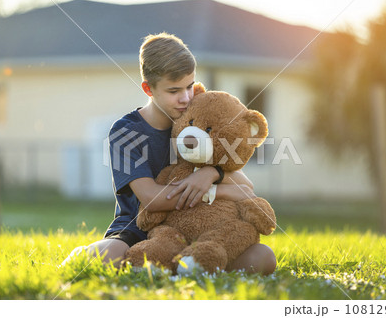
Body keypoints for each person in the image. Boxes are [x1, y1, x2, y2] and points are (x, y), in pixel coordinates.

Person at [63, 32, 276, 275]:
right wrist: (221, 190)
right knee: (109, 256)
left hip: (196, 229)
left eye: (189, 87)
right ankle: (84, 255)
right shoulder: (126, 132)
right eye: (174, 91)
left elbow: (245, 186)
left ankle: (182, 265)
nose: (185, 98)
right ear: (148, 88)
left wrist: (211, 172)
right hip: (139, 228)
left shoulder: (196, 124)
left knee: (263, 258)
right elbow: (152, 199)